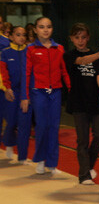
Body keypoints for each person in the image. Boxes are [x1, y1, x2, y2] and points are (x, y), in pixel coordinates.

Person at [20, 17, 70, 176]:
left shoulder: (59, 48)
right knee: (41, 126)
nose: (45, 30)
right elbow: (26, 73)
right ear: (35, 30)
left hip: (55, 92)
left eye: (48, 26)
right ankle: (41, 159)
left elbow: (64, 71)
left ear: (52, 29)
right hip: (38, 92)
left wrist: (71, 90)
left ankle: (52, 163)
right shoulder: (30, 49)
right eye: (41, 27)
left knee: (54, 127)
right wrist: (24, 96)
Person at [64, 23, 99, 185]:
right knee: (82, 140)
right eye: (77, 37)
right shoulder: (69, 55)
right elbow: (82, 61)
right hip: (79, 102)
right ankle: (84, 175)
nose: (80, 41)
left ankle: (88, 166)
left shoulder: (97, 56)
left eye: (83, 37)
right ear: (71, 39)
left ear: (88, 38)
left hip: (95, 102)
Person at [0, 26, 33, 163]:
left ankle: (22, 156)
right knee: (12, 121)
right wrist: (6, 88)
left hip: (26, 93)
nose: (22, 37)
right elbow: (3, 72)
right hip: (11, 92)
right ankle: (8, 143)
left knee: (24, 125)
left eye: (24, 35)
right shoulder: (5, 52)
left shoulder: (29, 51)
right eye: (18, 35)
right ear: (11, 37)